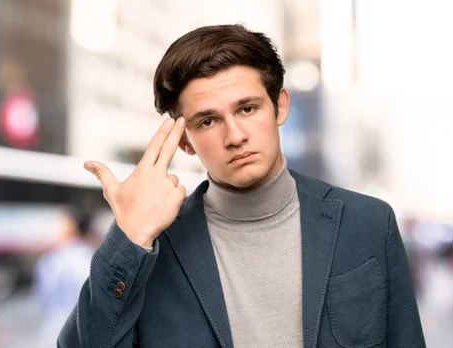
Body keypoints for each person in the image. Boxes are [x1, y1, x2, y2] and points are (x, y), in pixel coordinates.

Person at [59, 24, 425, 348]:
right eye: (207, 121)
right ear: (184, 142)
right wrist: (128, 239)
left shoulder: (368, 224)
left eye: (247, 109)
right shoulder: (152, 249)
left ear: (280, 107)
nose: (234, 136)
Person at [34, 208, 97, 348]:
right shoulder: (93, 259)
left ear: (71, 227)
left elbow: (43, 298)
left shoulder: (49, 260)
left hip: (53, 332)